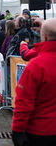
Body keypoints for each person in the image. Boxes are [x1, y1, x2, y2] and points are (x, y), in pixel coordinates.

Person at [12, 18, 56, 146]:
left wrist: (17, 132)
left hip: (41, 132)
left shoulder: (36, 66)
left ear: (44, 36)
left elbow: (24, 104)